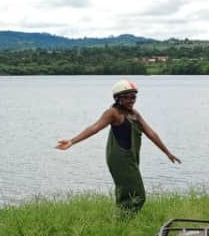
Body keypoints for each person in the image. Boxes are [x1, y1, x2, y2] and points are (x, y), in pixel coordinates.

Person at [55, 80, 180, 212]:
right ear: (118, 98)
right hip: (120, 157)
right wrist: (72, 141)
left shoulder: (134, 114)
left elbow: (151, 133)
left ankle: (121, 221)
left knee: (127, 192)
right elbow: (94, 128)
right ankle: (123, 221)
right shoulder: (113, 113)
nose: (131, 100)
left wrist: (167, 152)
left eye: (133, 97)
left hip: (131, 156)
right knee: (138, 195)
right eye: (127, 97)